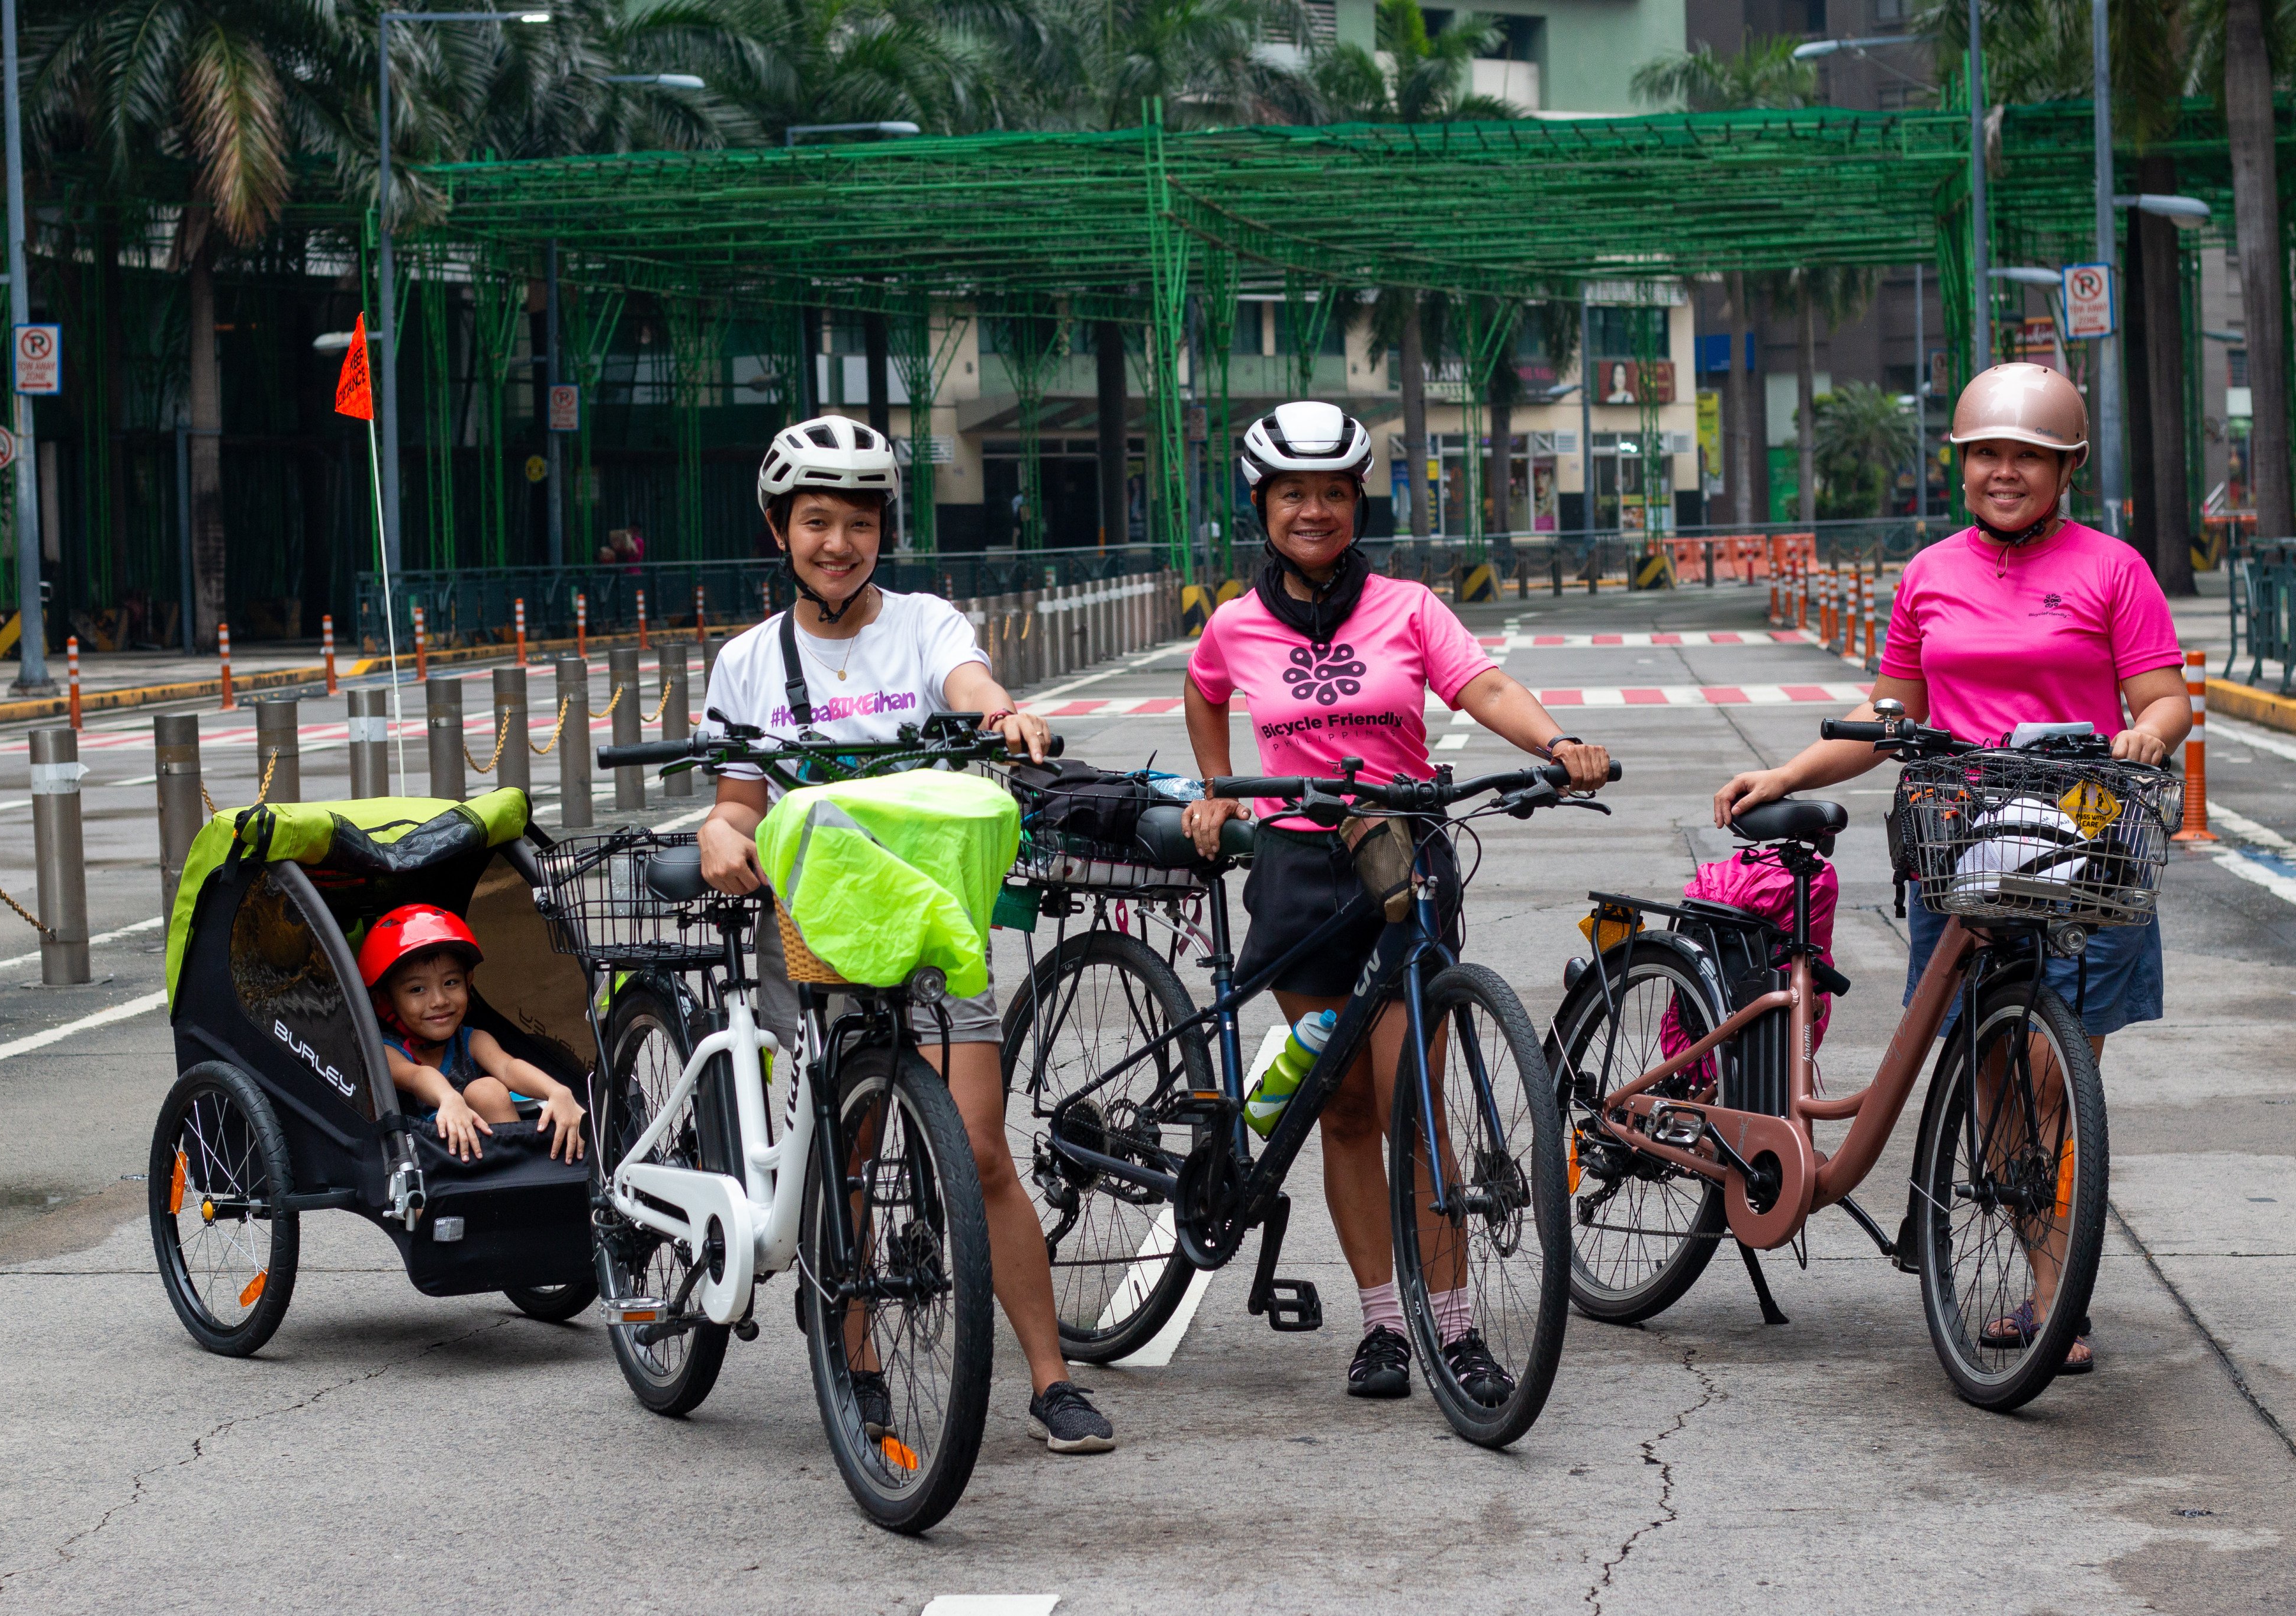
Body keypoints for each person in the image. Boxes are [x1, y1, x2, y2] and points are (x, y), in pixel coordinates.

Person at [1713, 362, 2191, 1374]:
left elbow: (2163, 696)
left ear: (2066, 470)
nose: (2004, 472)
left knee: (2053, 1078)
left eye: (2027, 457)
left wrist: (2148, 732)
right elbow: (1891, 712)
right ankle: (2051, 1295)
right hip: (1961, 846)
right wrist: (1788, 770)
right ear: (1962, 466)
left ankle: (2053, 1295)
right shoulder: (1929, 573)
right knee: (1989, 1075)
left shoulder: (2113, 570)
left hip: (2083, 840)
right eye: (1986, 455)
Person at [693, 414, 1116, 1455]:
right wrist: (719, 831)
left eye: (859, 522)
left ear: (884, 529)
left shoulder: (926, 625)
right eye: (815, 522)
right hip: (814, 934)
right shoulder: (747, 661)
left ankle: (1051, 1380)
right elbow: (738, 801)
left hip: (928, 922)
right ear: (779, 530)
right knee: (845, 1158)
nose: (838, 543)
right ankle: (859, 1366)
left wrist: (1002, 715)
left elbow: (971, 688)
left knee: (979, 1151)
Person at [1178, 400, 1611, 1403]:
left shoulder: (1409, 608)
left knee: (1412, 1105)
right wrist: (1215, 786)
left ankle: (1452, 1330)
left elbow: (1482, 686)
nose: (1314, 511)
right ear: (1262, 507)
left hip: (1401, 865)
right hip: (1294, 874)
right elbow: (1205, 688)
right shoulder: (1235, 623)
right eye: (1293, 494)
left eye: (1333, 493)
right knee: (1341, 1110)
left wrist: (1555, 743)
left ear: (1358, 502)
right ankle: (1381, 1325)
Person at [358, 904, 587, 1165]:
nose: (439, 1000)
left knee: (486, 1090)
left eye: (451, 983)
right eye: (417, 989)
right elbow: (417, 1076)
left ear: (468, 983)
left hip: (487, 1159)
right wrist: (449, 1098)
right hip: (427, 1168)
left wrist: (557, 1091)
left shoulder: (472, 1040)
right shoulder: (387, 1053)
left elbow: (508, 1067)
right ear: (384, 1001)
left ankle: (523, 1172)